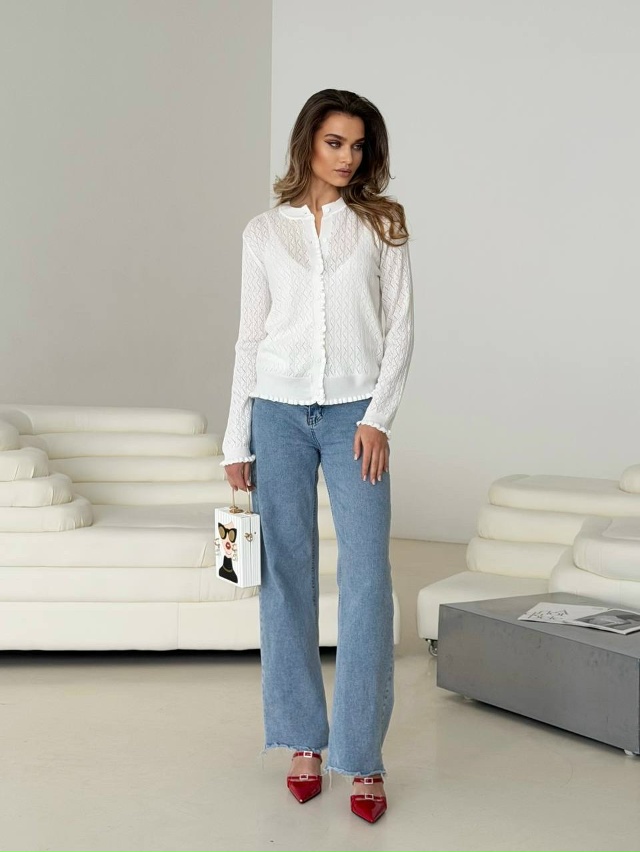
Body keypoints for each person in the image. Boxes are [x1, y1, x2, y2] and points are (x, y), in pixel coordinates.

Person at [219, 88, 414, 824]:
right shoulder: (263, 232)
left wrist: (378, 418)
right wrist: (235, 438)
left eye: (358, 145)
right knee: (286, 575)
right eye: (335, 142)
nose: (347, 157)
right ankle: (303, 738)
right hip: (275, 413)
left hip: (353, 415)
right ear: (308, 142)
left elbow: (400, 328)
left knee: (367, 580)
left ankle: (361, 754)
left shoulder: (383, 224)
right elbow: (250, 337)